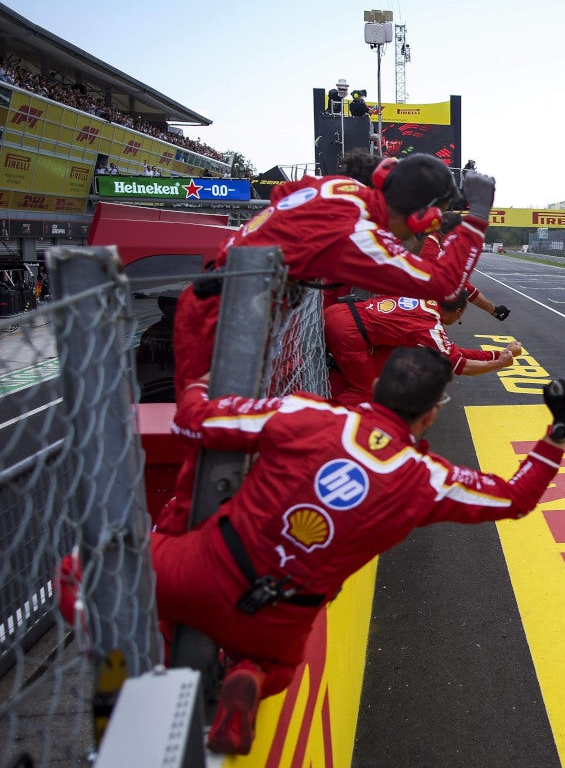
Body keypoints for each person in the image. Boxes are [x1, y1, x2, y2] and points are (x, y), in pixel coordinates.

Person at [152, 346, 565, 753]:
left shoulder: (304, 413)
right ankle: (251, 673)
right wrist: (559, 429)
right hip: (278, 614)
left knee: (96, 573)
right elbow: (515, 498)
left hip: (206, 565)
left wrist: (199, 384)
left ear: (376, 385)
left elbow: (192, 421)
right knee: (279, 666)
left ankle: (127, 668)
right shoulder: (424, 480)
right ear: (429, 416)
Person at [155, 153, 493, 535]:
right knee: (209, 438)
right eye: (427, 224)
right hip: (227, 321)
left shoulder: (339, 190)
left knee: (224, 434)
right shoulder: (356, 234)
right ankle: (181, 542)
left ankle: (201, 532)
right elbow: (443, 285)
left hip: (230, 301)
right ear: (420, 218)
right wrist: (478, 215)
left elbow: (284, 191)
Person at [325, 287, 523, 406]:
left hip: (338, 312)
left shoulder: (423, 301)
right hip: (347, 333)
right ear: (459, 311)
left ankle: (332, 390)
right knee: (367, 392)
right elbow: (460, 366)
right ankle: (321, 418)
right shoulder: (430, 326)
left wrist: (499, 353)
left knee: (387, 364)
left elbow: (452, 352)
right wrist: (501, 364)